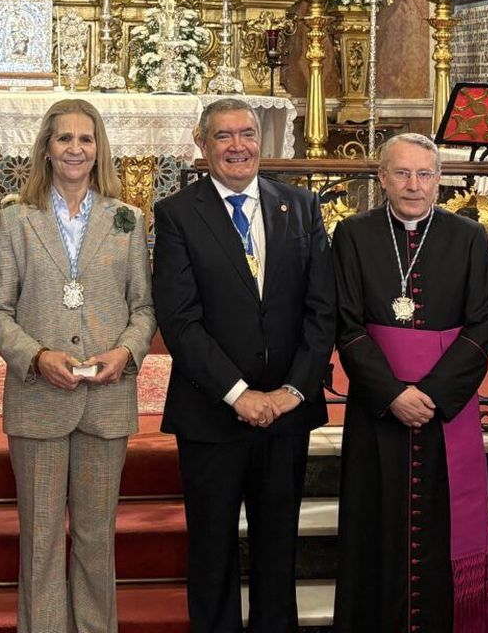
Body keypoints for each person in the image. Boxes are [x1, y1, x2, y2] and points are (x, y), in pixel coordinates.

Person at [151, 97, 336, 633]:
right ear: (202, 144)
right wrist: (238, 393)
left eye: (248, 134)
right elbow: (180, 319)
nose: (239, 147)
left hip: (288, 413)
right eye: (224, 136)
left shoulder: (300, 206)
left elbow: (322, 311)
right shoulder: (178, 214)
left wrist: (292, 392)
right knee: (212, 552)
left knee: (279, 547)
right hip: (211, 413)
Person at [0, 99, 157, 632]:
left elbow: (144, 309)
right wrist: (36, 356)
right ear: (47, 149)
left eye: (86, 139)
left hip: (106, 398)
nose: (75, 149)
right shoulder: (16, 219)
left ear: (99, 148)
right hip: (39, 397)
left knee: (97, 535)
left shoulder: (127, 218)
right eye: (64, 139)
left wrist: (126, 352)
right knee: (40, 537)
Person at [332, 132, 488, 632]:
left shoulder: (467, 236)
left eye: (425, 174)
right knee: (374, 530)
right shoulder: (354, 235)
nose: (413, 185)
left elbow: (484, 324)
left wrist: (432, 394)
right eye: (402, 173)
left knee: (442, 528)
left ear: (440, 180)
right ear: (381, 177)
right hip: (378, 410)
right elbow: (346, 323)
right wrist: (393, 394)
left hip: (445, 412)